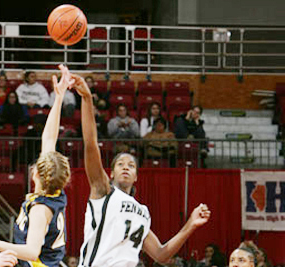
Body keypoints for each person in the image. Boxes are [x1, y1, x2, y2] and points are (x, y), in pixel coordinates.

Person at [71, 73, 211, 267]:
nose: (126, 167)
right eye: (120, 164)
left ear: (136, 176)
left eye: (131, 165)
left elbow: (161, 255)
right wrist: (87, 99)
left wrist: (190, 225)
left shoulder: (142, 211)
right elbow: (91, 144)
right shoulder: (103, 190)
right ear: (110, 173)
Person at [0, 64, 74, 267]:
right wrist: (58, 97)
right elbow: (49, 138)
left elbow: (31, 252)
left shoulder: (40, 209)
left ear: (37, 175)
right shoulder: (54, 190)